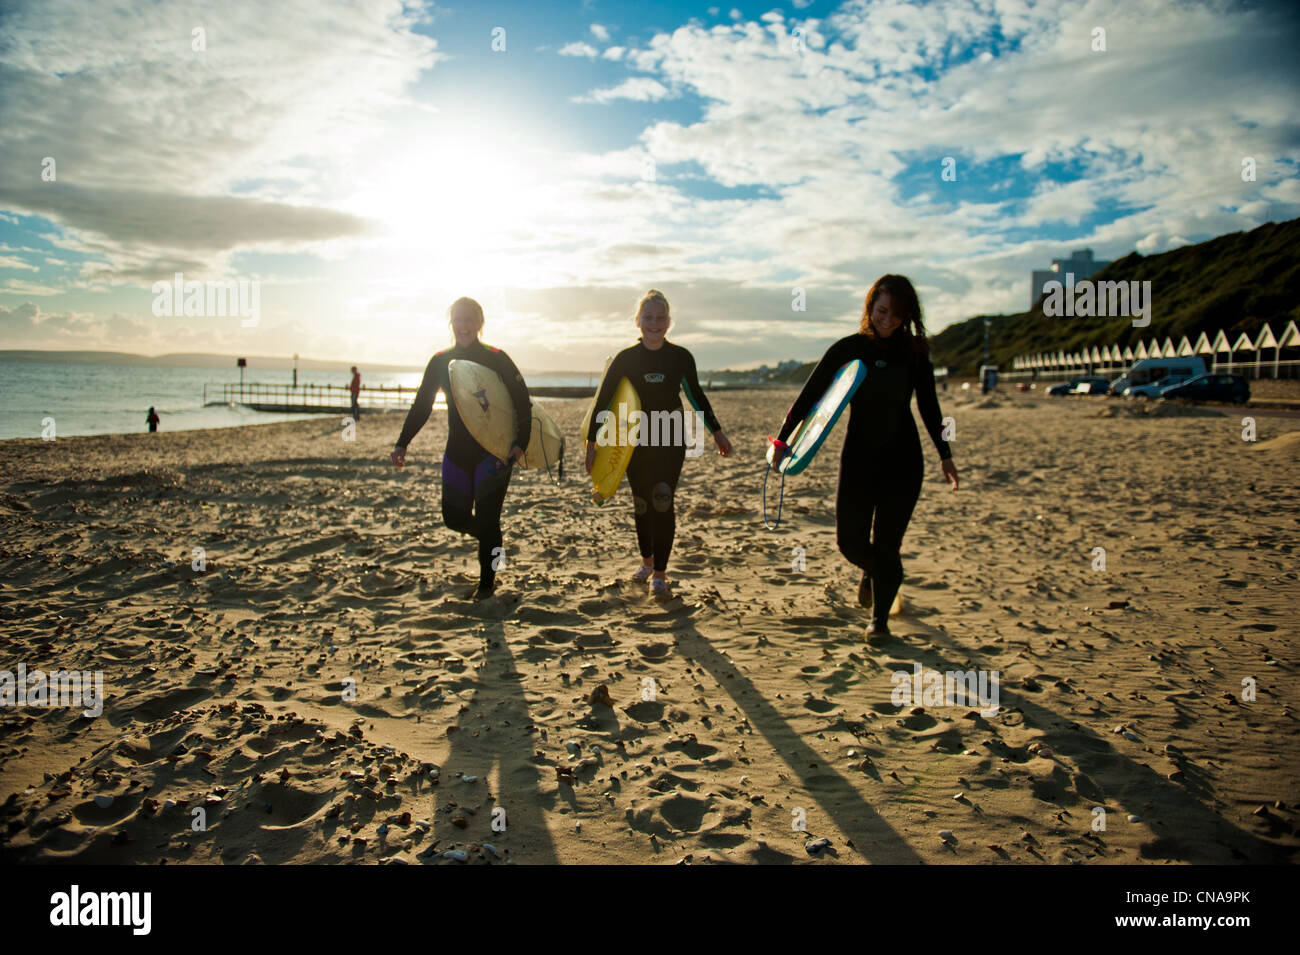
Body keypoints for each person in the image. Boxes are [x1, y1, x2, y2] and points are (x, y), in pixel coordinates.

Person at [770, 275, 958, 636]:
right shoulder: (849, 348)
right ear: (870, 307)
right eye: (882, 310)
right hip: (858, 459)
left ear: (907, 315)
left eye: (897, 313)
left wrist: (944, 454)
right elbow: (810, 396)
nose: (888, 319)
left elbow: (930, 407)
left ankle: (880, 621)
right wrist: (782, 441)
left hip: (904, 460)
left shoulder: (915, 352)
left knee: (889, 543)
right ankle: (878, 572)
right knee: (850, 542)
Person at [584, 289, 732, 597]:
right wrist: (591, 443)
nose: (654, 323)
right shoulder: (626, 359)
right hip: (634, 441)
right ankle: (647, 562)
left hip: (670, 438)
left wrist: (716, 431)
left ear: (669, 322)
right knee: (641, 504)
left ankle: (660, 575)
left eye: (660, 317)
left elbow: (696, 396)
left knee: (662, 500)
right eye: (648, 317)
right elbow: (605, 399)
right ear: (637, 321)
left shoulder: (680, 357)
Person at [391, 298, 530, 599]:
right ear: (451, 322)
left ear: (480, 323)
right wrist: (403, 442)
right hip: (457, 451)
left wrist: (520, 443)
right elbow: (423, 404)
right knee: (453, 518)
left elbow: (521, 400)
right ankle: (491, 541)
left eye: (469, 320)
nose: (463, 325)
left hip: (494, 450)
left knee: (489, 517)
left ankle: (486, 585)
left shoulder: (497, 357)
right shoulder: (441, 361)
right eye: (458, 319)